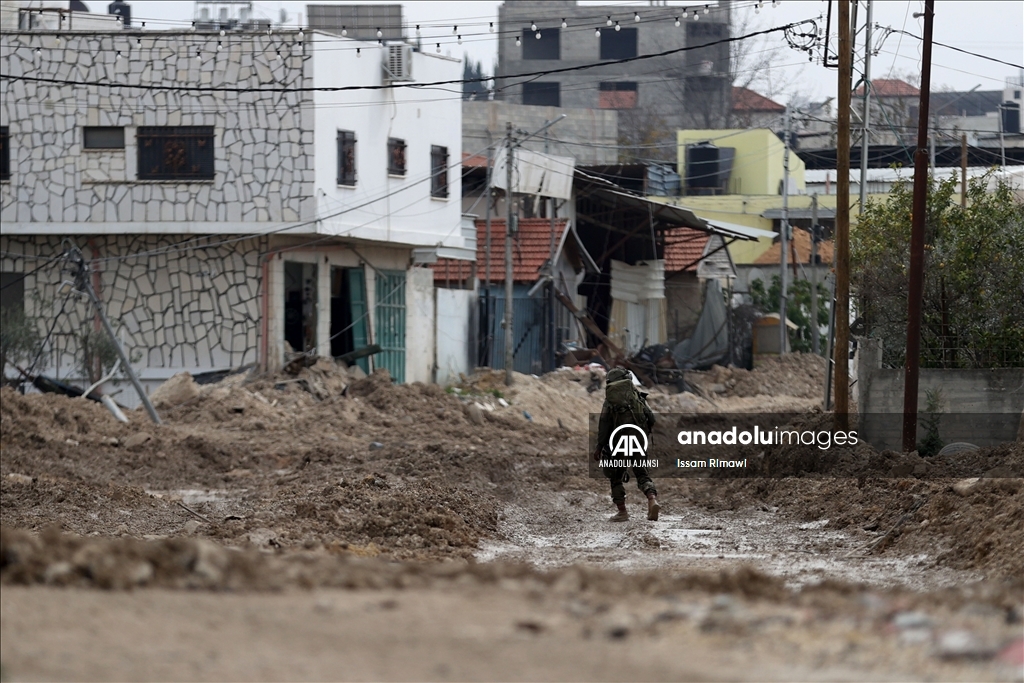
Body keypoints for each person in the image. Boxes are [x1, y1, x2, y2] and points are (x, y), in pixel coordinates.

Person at [593, 367, 660, 522]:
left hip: (618, 443)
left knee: (615, 477)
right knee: (642, 474)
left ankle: (622, 512)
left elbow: (604, 425)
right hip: (637, 441)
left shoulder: (610, 401)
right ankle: (652, 499)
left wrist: (599, 447)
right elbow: (651, 418)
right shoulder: (637, 396)